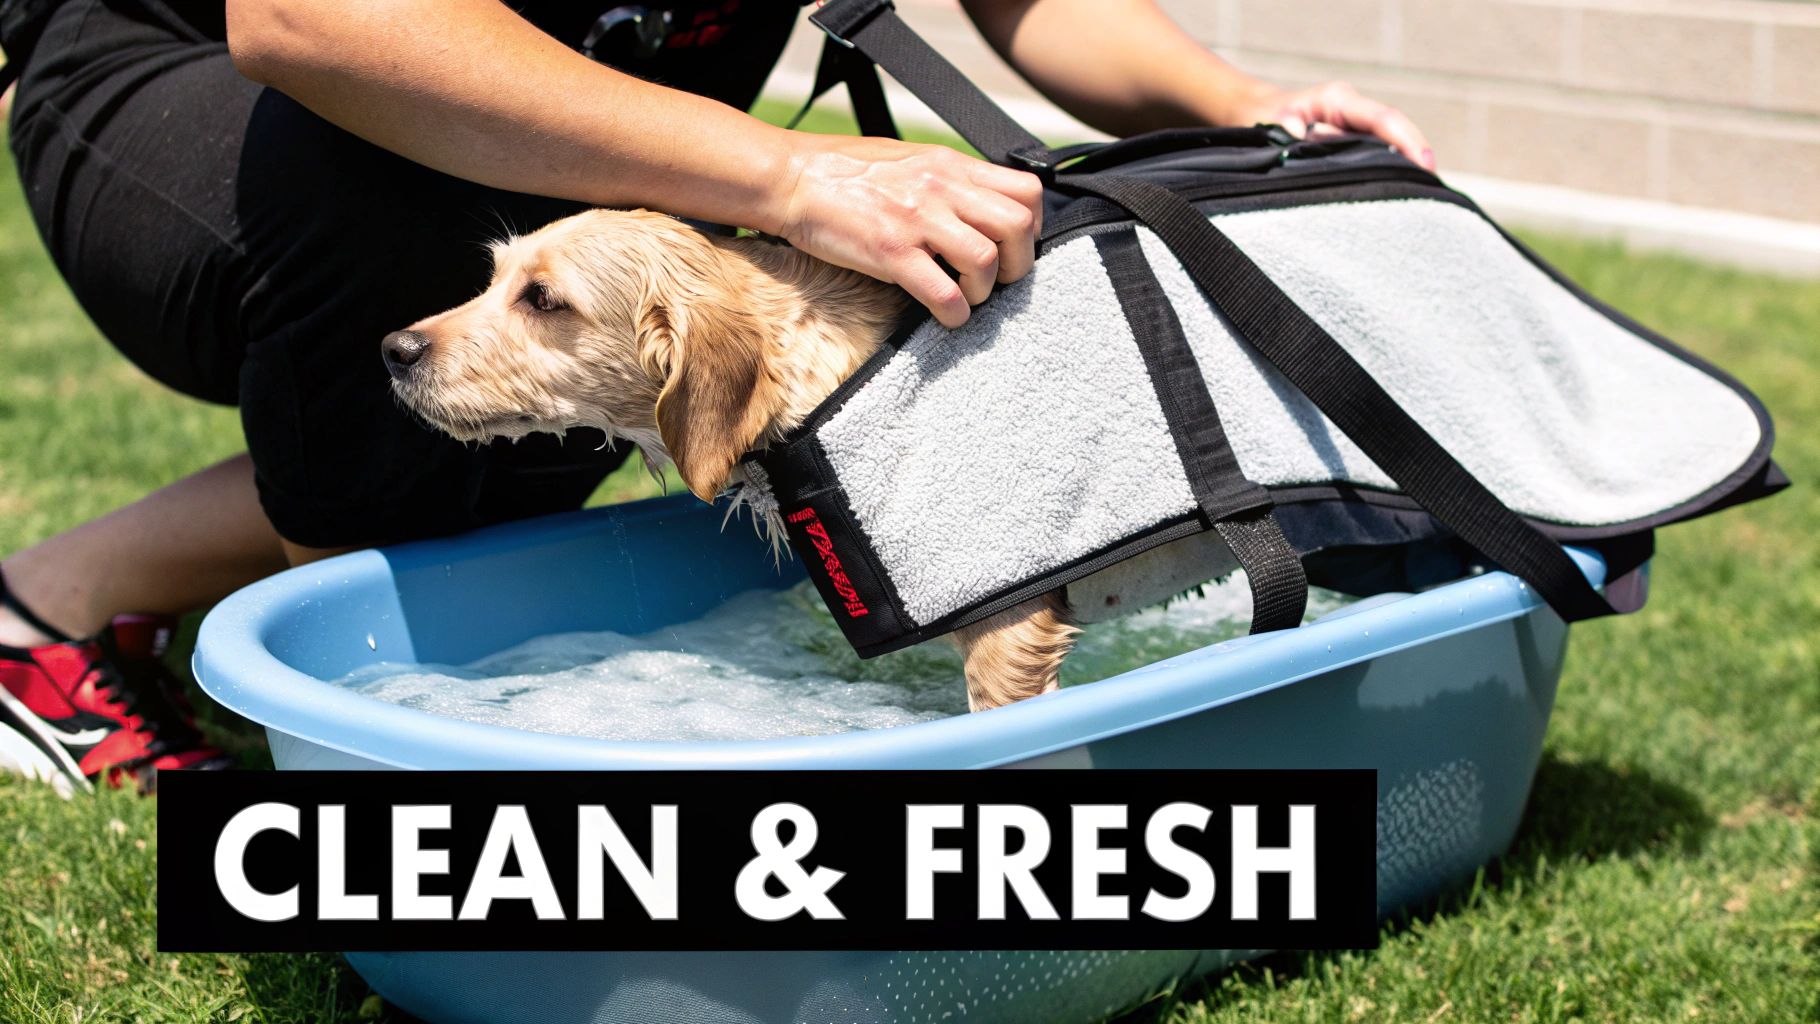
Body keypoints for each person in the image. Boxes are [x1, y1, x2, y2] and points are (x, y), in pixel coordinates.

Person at [0, 0, 1433, 792]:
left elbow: (1041, 4)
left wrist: (1252, 112)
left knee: (607, 368)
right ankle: (338, 727)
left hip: (523, 152)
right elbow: (314, 16)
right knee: (417, 210)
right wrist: (790, 178)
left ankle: (57, 596)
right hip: (179, 86)